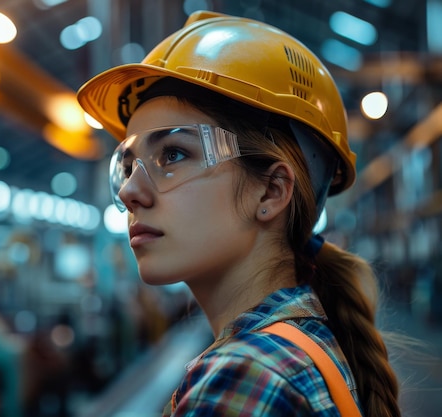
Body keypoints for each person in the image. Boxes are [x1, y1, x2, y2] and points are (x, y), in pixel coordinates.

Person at [77, 10, 401, 417]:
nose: (129, 191)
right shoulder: (304, 342)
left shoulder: (243, 378)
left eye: (174, 154)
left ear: (271, 190)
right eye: (127, 166)